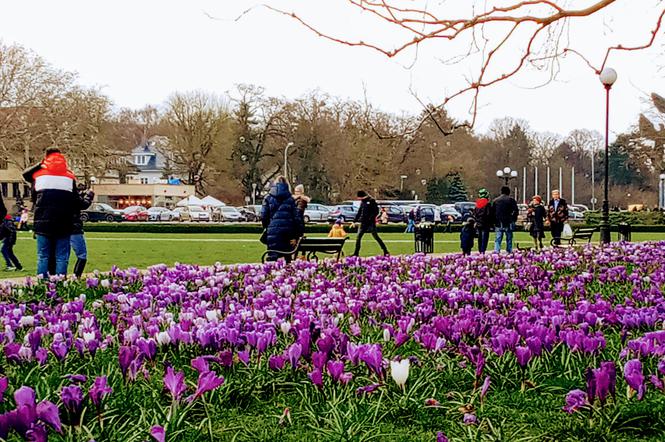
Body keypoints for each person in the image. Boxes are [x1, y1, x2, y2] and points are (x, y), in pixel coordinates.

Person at [22, 147, 79, 277]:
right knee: (61, 256)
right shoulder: (70, 177)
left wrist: (40, 164)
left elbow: (26, 176)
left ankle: (43, 284)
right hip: (64, 222)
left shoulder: (39, 176)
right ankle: (60, 284)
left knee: (43, 256)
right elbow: (75, 200)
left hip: (43, 221)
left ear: (46, 157)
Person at [261, 176, 302, 263]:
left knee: (272, 256)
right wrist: (297, 235)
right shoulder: (290, 199)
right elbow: (296, 218)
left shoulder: (268, 198)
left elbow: (264, 216)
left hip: (273, 231)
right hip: (288, 232)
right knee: (287, 256)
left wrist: (267, 227)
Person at [352, 190, 389, 257]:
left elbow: (376, 212)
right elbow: (359, 212)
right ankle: (356, 253)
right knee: (358, 238)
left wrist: (370, 218)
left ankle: (385, 251)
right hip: (363, 223)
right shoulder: (362, 202)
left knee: (376, 237)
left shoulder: (372, 201)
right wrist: (354, 221)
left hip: (370, 223)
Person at [71, 183, 95, 278]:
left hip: (61, 227)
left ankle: (58, 278)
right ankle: (77, 276)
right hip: (74, 228)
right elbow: (83, 204)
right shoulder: (72, 194)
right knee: (82, 255)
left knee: (61, 257)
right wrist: (90, 195)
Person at [492, 186, 518, 253]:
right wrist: (513, 219)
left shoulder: (495, 201)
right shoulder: (511, 200)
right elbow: (515, 211)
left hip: (498, 222)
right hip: (508, 221)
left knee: (498, 238)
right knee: (509, 238)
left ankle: (497, 250)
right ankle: (509, 250)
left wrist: (494, 221)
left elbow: (492, 212)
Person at [473, 188, 493, 253]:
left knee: (480, 237)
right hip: (486, 223)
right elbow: (489, 214)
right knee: (485, 237)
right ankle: (483, 250)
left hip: (479, 223)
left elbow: (475, 213)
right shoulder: (487, 204)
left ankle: (480, 249)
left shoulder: (477, 204)